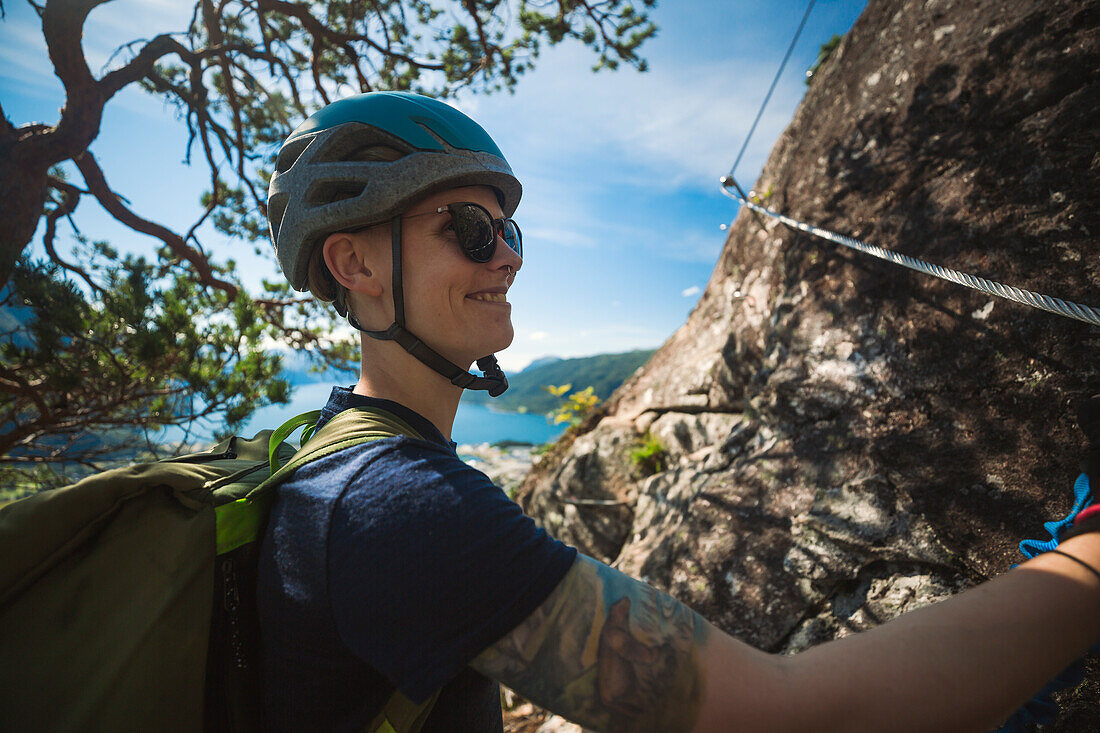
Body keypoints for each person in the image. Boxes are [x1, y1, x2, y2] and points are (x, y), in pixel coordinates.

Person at [257, 91, 1100, 732]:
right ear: (355, 262)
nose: (508, 256)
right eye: (471, 228)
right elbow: (784, 714)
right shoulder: (400, 509)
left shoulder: (331, 454)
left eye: (513, 231)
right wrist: (1086, 568)